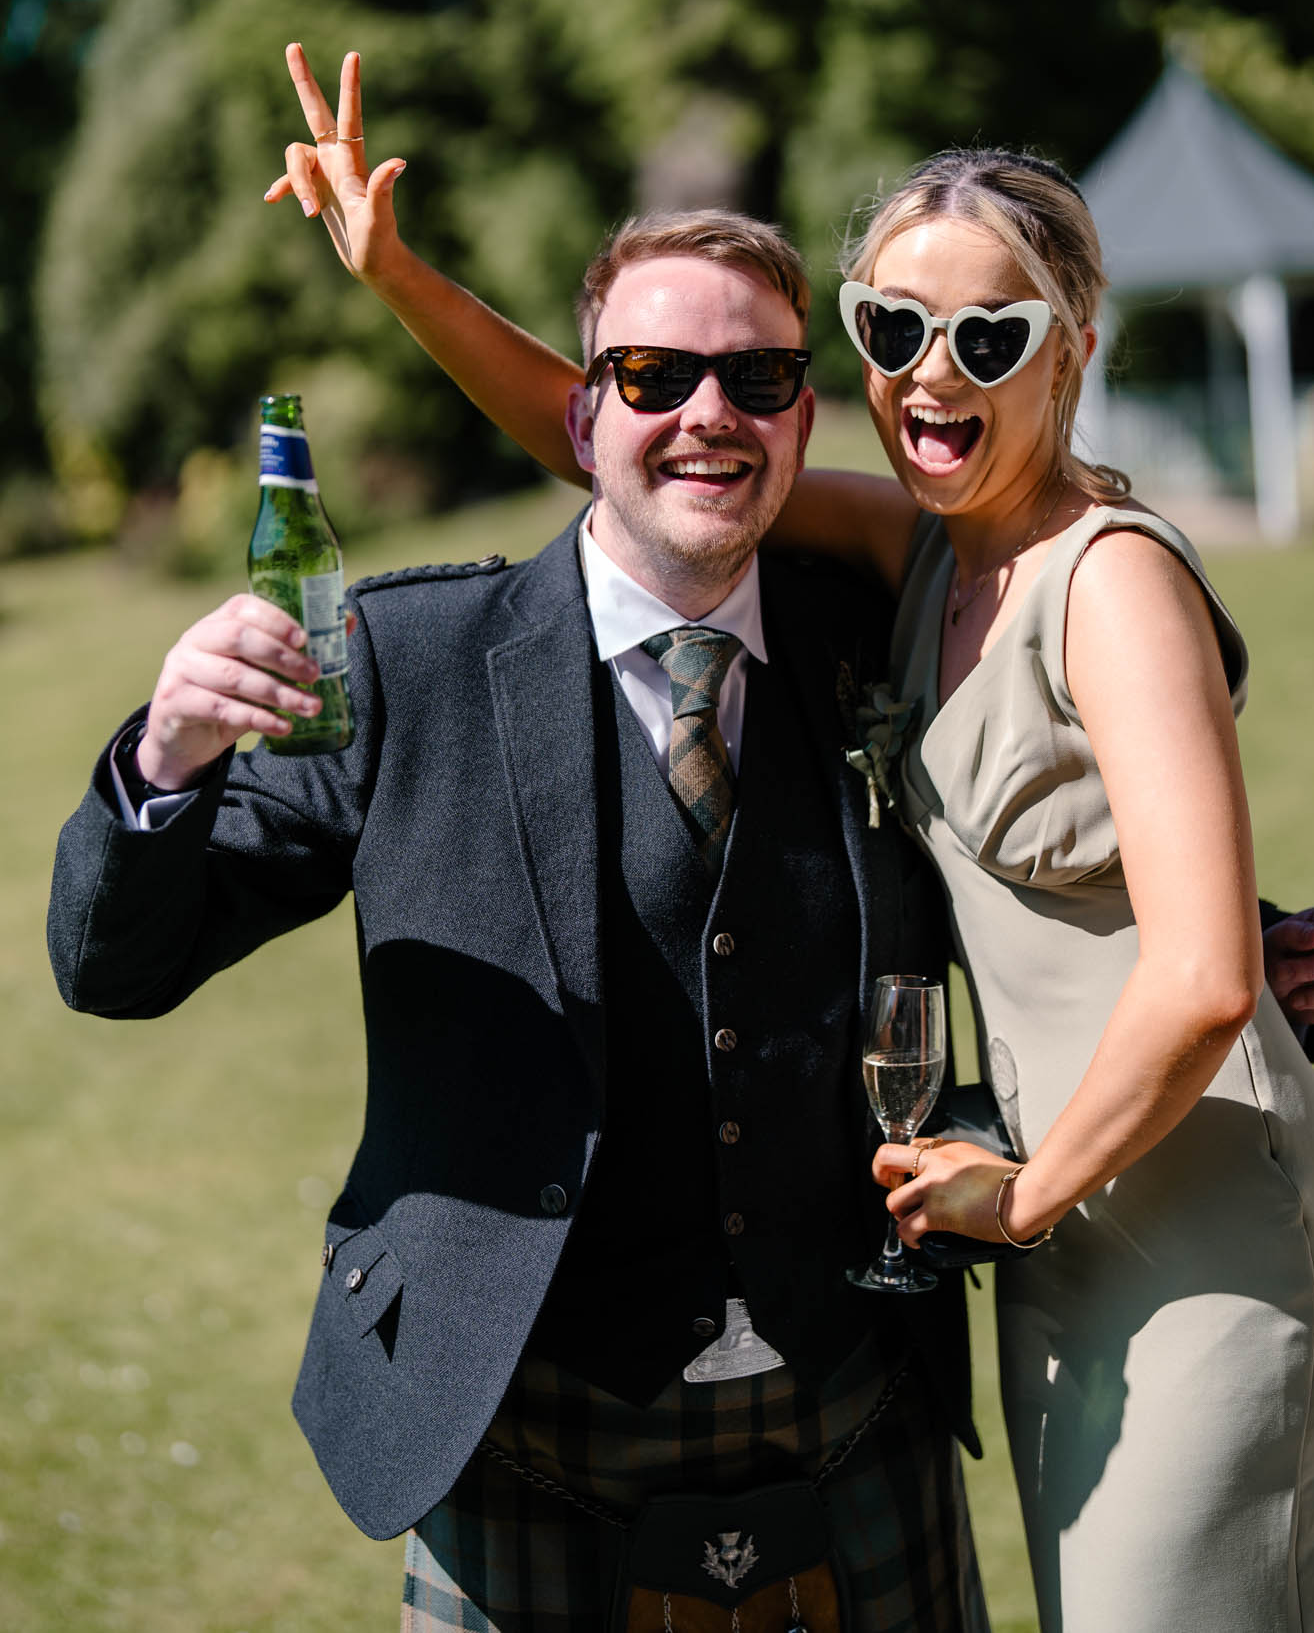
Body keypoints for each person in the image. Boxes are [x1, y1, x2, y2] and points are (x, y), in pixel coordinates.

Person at [258, 53, 1314, 1630]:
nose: (933, 373)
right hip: (1070, 1201)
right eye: (894, 328)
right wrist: (396, 276)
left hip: (1177, 1193)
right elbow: (618, 431)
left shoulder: (1110, 575)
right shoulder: (920, 547)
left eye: (986, 337)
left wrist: (1025, 1193)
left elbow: (1200, 982)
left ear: (1068, 349)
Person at [49, 194, 991, 1627]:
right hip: (524, 1425)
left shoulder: (887, 641)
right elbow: (117, 967)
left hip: (857, 1402)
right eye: (653, 376)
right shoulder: (405, 663)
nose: (708, 415)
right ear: (580, 417)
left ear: (803, 423)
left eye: (759, 378)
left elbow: (1051, 842)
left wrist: (1255, 941)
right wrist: (167, 754)